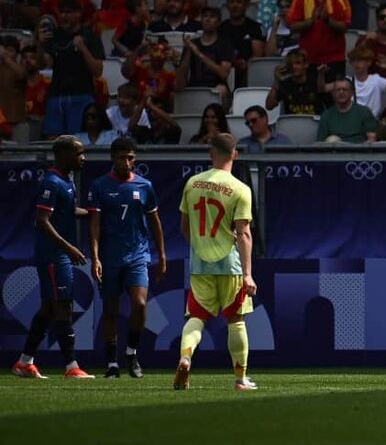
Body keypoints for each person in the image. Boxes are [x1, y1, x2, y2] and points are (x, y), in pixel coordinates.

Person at [174, 132, 258, 392]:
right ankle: (240, 379)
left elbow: (184, 227)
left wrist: (200, 247)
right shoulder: (240, 189)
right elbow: (243, 233)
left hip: (200, 265)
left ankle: (186, 358)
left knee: (197, 317)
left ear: (211, 153)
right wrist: (248, 274)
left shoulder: (192, 184)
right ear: (235, 154)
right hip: (230, 264)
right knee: (236, 320)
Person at [11, 136, 94, 380]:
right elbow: (42, 220)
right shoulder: (51, 182)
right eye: (79, 153)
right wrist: (69, 248)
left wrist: (95, 212)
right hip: (53, 256)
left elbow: (66, 211)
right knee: (63, 306)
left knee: (49, 308)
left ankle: (25, 362)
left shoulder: (66, 181)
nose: (83, 158)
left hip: (59, 255)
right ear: (64, 155)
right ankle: (71, 366)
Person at [87, 137, 166, 379]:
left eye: (131, 157)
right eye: (122, 157)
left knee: (140, 304)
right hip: (110, 257)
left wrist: (162, 255)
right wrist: (96, 257)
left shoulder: (144, 186)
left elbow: (155, 222)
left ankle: (131, 354)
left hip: (138, 255)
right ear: (113, 158)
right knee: (110, 310)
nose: (127, 162)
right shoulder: (100, 186)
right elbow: (95, 225)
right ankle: (112, 363)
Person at [38, 0, 105, 137]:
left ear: (78, 13)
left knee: (78, 143)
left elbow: (97, 71)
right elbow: (43, 63)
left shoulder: (90, 36)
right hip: (57, 96)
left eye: (68, 12)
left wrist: (82, 48)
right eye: (61, 12)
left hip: (82, 96)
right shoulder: (55, 35)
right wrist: (40, 44)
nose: (64, 16)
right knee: (53, 142)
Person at [287, 0, 351, 76]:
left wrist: (328, 21)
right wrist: (310, 21)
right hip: (308, 60)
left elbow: (345, 27)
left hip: (334, 59)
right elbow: (292, 27)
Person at [317, 77, 378, 143]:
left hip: (359, 151)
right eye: (338, 90)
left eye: (344, 89)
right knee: (332, 139)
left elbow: (372, 140)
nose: (341, 92)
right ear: (333, 93)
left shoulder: (364, 112)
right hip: (335, 151)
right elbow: (320, 143)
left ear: (351, 92)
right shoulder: (326, 116)